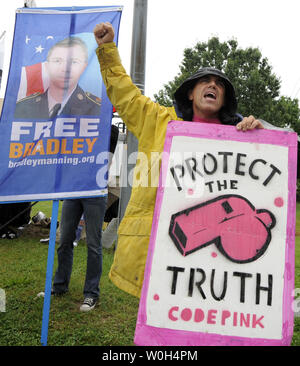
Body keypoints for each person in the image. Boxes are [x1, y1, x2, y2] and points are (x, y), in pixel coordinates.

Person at [93, 22, 264, 298]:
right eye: (205, 81)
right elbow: (124, 94)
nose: (213, 85)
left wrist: (260, 139)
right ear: (190, 92)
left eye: (220, 84)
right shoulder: (157, 121)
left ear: (225, 99)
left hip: (215, 264)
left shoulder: (240, 138)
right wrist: (108, 50)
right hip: (158, 249)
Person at [51, 124, 119, 312]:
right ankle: (59, 286)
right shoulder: (76, 127)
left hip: (95, 191)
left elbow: (107, 160)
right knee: (65, 239)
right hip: (73, 189)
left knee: (93, 244)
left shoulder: (110, 130)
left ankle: (91, 294)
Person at [14, 37, 101, 119]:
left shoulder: (97, 109)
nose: (65, 68)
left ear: (83, 68)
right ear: (47, 66)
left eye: (74, 62)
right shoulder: (22, 107)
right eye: (57, 61)